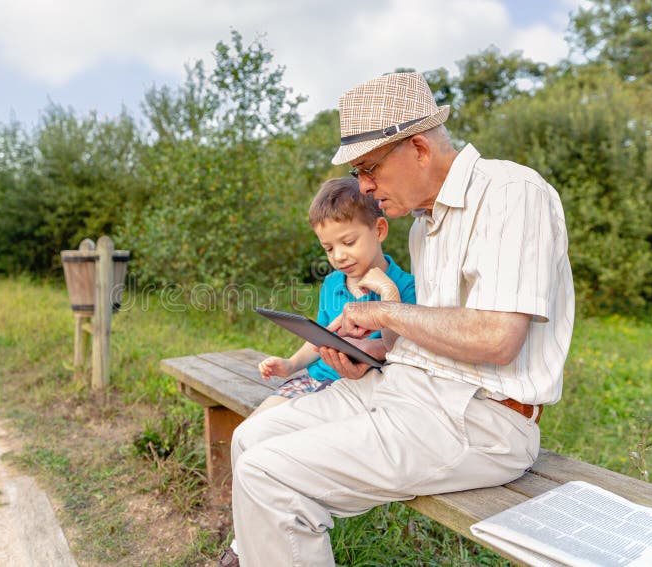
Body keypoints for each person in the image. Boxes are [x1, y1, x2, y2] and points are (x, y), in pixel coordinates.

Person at [224, 72, 575, 567]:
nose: (363, 186)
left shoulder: (511, 193)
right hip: (406, 394)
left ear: (419, 149)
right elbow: (434, 334)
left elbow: (499, 339)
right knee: (250, 437)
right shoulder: (423, 227)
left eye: (369, 168)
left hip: (482, 420)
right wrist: (369, 355)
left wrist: (384, 310)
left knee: (268, 473)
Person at [252, 177, 416, 417]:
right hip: (315, 380)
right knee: (255, 423)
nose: (338, 256)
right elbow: (320, 336)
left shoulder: (404, 286)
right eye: (328, 248)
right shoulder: (332, 283)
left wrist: (388, 294)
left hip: (361, 391)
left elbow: (401, 349)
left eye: (348, 242)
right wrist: (291, 364)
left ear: (379, 230)